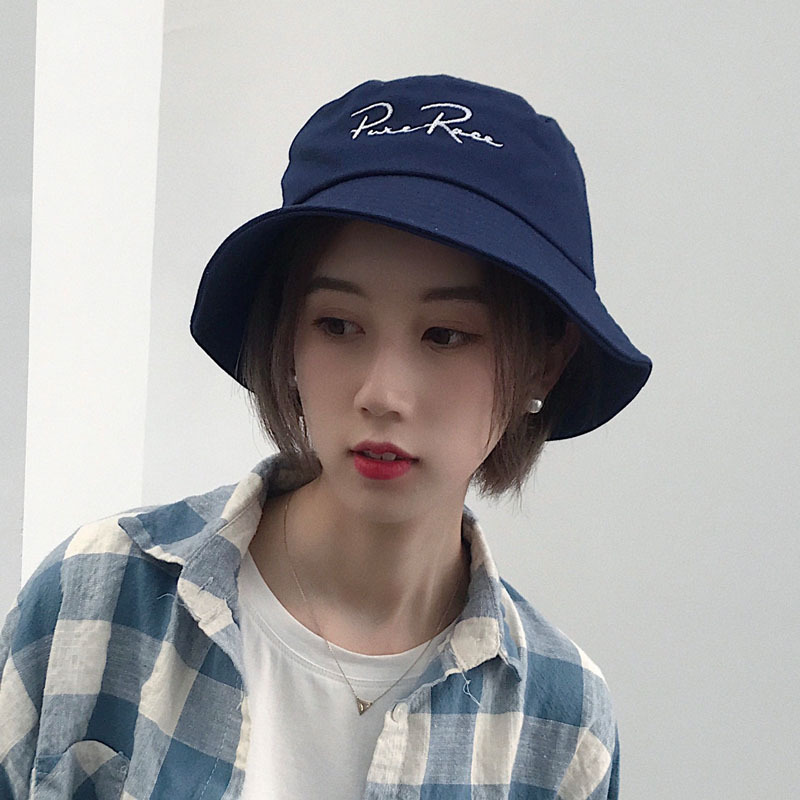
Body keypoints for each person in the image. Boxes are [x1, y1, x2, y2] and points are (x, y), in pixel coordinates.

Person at [0, 75, 651, 799]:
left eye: (445, 335)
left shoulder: (559, 726)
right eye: (337, 325)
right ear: (288, 335)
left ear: (543, 364)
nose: (381, 393)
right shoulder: (98, 597)